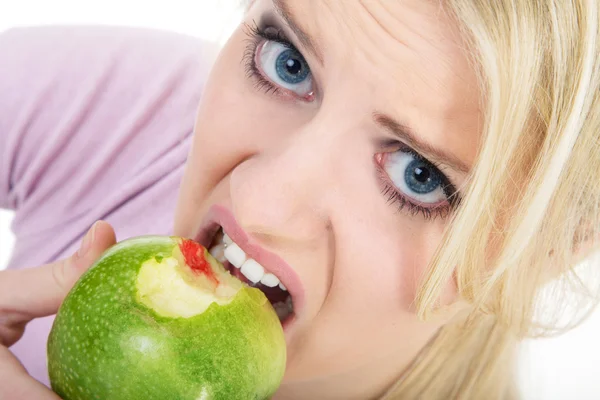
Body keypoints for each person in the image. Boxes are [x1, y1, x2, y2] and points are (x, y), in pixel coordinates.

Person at [1, 0, 598, 398]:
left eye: (418, 175)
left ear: (545, 252)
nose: (259, 203)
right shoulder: (129, 111)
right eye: (287, 64)